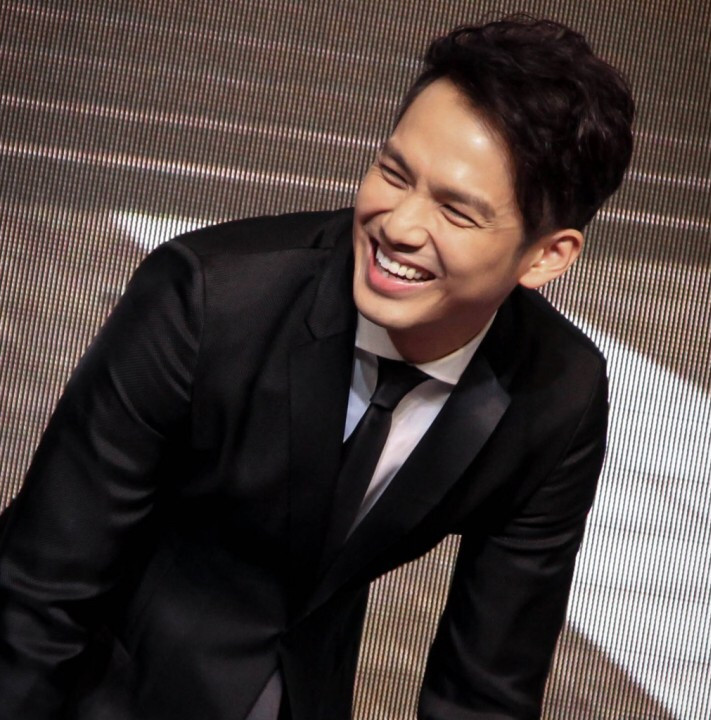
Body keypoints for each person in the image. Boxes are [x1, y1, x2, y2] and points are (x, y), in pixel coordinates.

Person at [0, 15, 634, 720]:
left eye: (456, 212)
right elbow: (41, 589)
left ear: (547, 256)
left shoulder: (558, 395)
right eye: (394, 173)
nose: (398, 226)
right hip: (102, 688)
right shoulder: (208, 298)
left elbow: (486, 689)